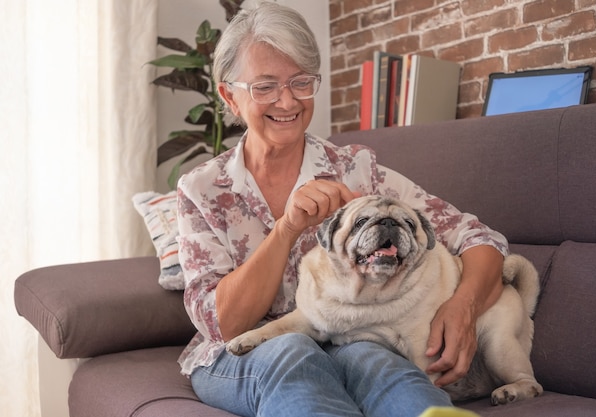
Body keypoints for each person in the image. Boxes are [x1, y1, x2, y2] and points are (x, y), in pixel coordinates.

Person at [176, 2, 508, 416]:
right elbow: (222, 324)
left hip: (350, 338)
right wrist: (286, 229)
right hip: (246, 353)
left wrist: (463, 306)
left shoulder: (355, 169)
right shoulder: (202, 189)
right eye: (264, 87)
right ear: (230, 95)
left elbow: (479, 237)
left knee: (380, 362)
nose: (287, 101)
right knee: (294, 350)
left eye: (300, 82)